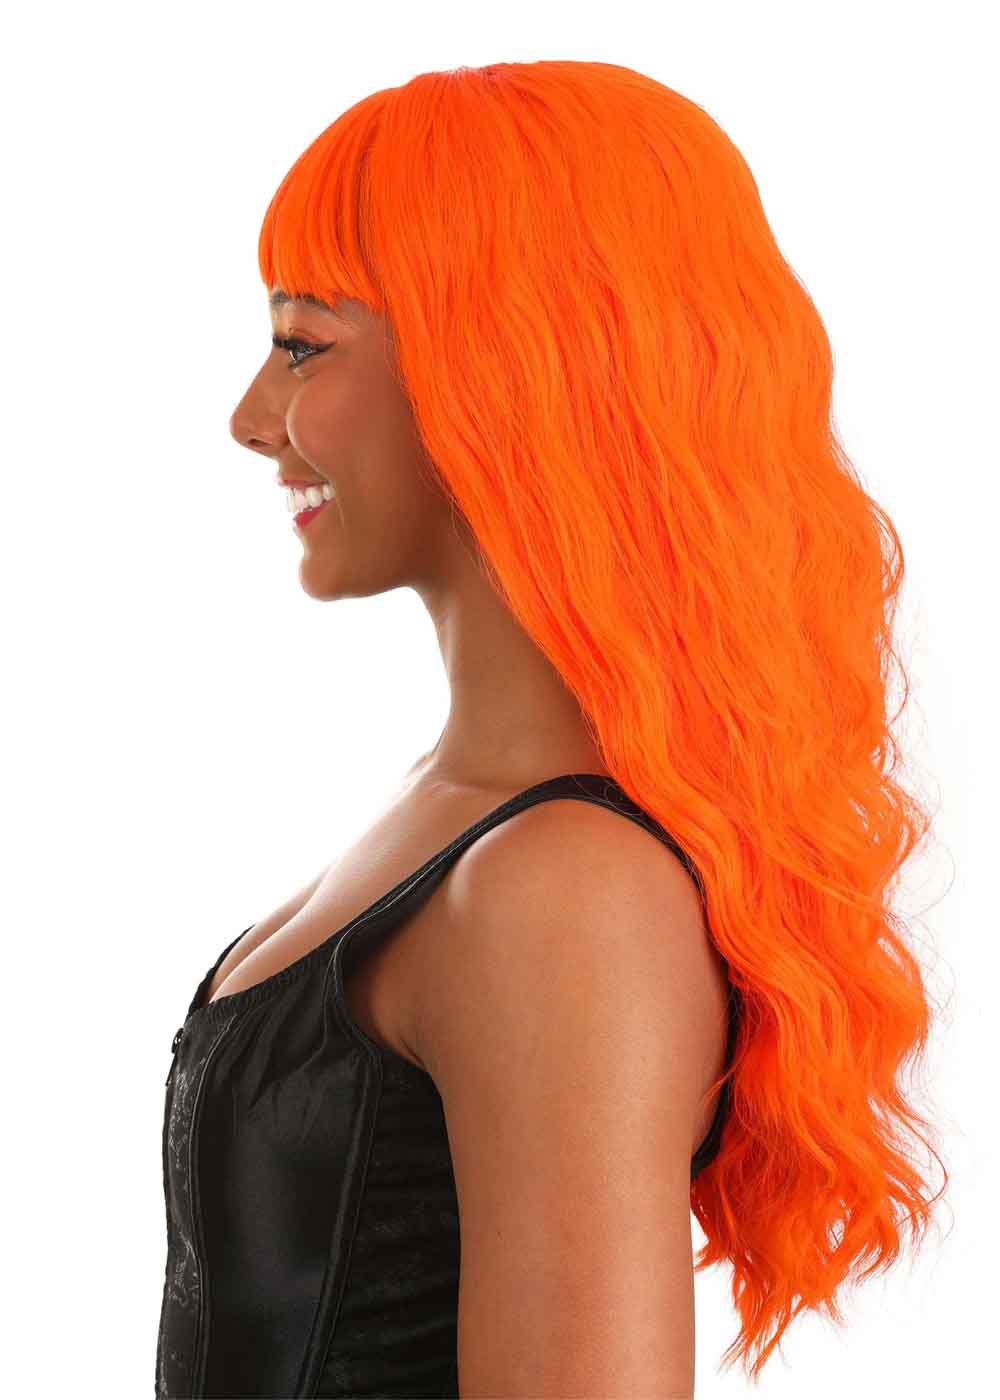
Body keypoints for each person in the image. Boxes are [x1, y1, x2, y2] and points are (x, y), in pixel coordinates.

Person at [156, 60, 948, 1399]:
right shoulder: (468, 824)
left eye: (303, 346)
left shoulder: (563, 892)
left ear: (503, 373)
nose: (251, 420)